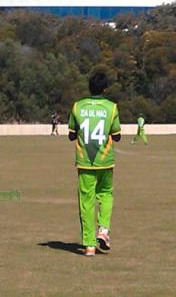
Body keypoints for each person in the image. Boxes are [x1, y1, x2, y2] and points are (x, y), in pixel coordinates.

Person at [68, 72, 121, 257]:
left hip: (85, 162)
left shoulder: (77, 107)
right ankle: (103, 230)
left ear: (89, 88)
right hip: (106, 161)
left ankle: (89, 245)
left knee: (86, 202)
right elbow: (117, 136)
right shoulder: (112, 108)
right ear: (105, 89)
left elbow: (72, 134)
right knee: (106, 195)